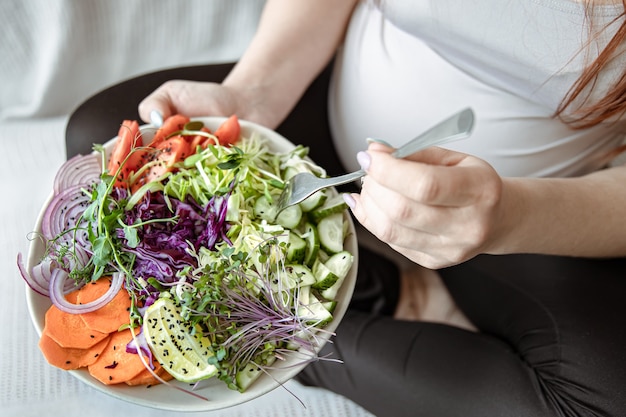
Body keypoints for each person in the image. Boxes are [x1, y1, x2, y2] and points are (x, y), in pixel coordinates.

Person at [138, 1, 626, 416]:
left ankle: (282, 333)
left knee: (597, 403)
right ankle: (356, 296)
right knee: (104, 135)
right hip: (319, 133)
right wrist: (251, 92)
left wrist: (512, 218)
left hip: (522, 217)